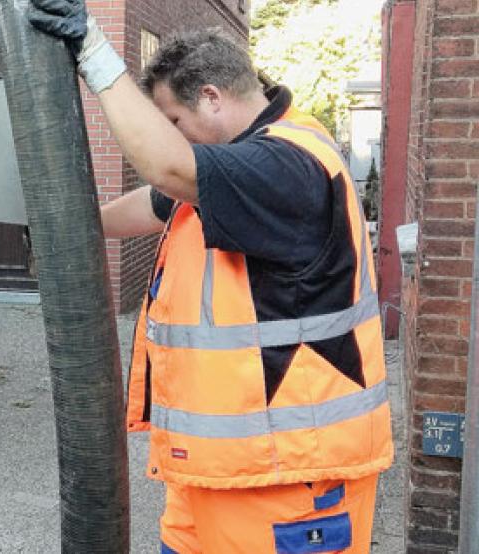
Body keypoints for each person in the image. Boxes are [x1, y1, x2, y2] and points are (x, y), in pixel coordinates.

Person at [26, 2, 394, 553]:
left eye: (174, 121)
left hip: (289, 481)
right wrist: (69, 226)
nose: (172, 136)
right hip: (219, 473)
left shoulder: (287, 166)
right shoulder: (242, 164)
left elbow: (169, 168)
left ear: (213, 99)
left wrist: (95, 54)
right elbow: (158, 200)